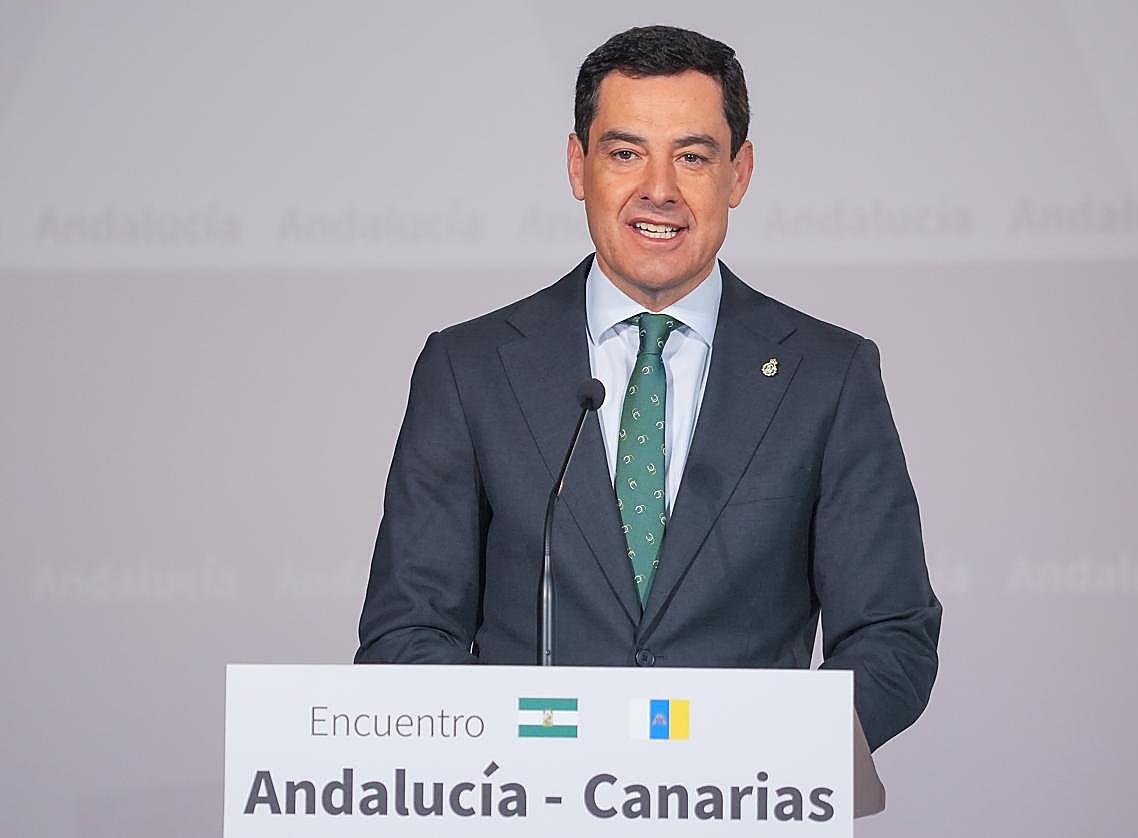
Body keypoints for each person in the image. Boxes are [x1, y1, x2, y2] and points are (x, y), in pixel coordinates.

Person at [355, 25, 941, 753]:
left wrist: (774, 754)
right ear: (578, 166)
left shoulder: (828, 375)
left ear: (739, 174)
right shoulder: (468, 369)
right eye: (625, 153)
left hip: (741, 797)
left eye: (692, 157)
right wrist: (517, 760)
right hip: (530, 795)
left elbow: (892, 634)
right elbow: (407, 632)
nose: (658, 191)